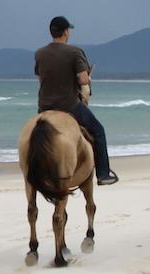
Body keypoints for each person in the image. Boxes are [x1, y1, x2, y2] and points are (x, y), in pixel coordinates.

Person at [35, 15, 116, 185]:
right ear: (65, 32)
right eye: (68, 30)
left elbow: (40, 78)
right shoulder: (75, 52)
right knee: (99, 131)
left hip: (44, 108)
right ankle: (103, 174)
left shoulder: (40, 53)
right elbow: (84, 80)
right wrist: (84, 78)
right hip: (69, 106)